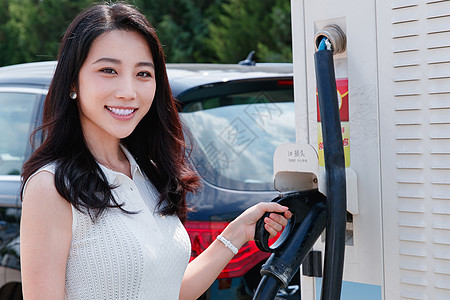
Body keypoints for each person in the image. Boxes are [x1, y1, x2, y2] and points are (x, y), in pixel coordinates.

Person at [20, 2, 292, 300]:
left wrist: (237, 233)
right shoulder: (51, 187)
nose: (128, 91)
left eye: (143, 74)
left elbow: (168, 291)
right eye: (108, 70)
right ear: (73, 80)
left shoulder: (148, 172)